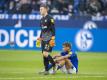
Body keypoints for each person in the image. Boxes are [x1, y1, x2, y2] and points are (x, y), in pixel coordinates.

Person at [36, 4, 55, 75]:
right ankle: (46, 70)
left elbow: (53, 29)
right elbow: (42, 30)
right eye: (40, 9)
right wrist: (40, 37)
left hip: (49, 39)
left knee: (45, 53)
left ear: (46, 9)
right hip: (43, 39)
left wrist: (53, 38)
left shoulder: (50, 18)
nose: (40, 10)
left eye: (41, 9)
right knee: (44, 55)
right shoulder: (41, 20)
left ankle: (54, 65)